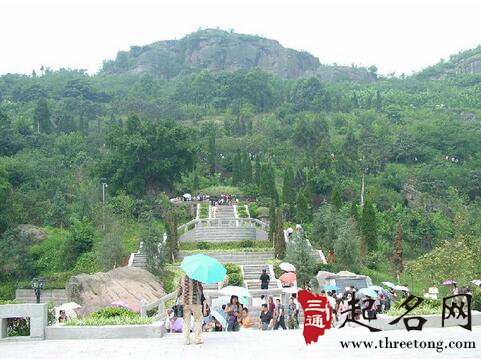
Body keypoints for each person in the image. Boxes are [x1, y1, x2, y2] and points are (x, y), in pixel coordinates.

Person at [176, 274, 204, 345]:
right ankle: (198, 338)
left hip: (185, 302)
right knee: (197, 320)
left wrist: (179, 295)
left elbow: (179, 290)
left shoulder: (182, 277)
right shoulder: (197, 277)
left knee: (186, 321)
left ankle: (186, 340)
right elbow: (200, 290)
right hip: (196, 302)